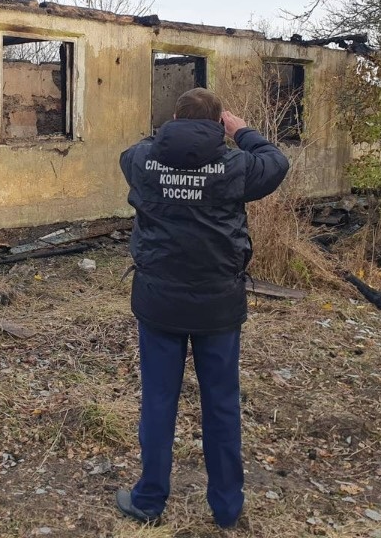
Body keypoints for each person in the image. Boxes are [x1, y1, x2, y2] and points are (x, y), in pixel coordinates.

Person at [115, 87, 289, 529]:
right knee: (222, 404)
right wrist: (242, 130)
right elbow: (277, 162)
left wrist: (165, 138)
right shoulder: (235, 166)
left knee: (157, 401)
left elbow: (131, 154)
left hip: (159, 303)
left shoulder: (143, 160)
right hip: (218, 306)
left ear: (174, 118)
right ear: (218, 125)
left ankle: (149, 500)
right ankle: (227, 508)